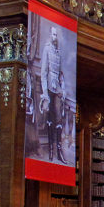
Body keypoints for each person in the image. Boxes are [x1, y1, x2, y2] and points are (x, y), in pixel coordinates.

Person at [40, 26, 65, 162]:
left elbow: (60, 73)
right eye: (53, 35)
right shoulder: (47, 49)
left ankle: (59, 150)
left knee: (59, 118)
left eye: (56, 35)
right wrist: (44, 93)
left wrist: (63, 88)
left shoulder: (58, 53)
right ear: (50, 35)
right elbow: (44, 72)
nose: (55, 37)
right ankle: (51, 150)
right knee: (50, 118)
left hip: (57, 88)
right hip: (49, 87)